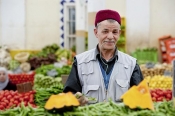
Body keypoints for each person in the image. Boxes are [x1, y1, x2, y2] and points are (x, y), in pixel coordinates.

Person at [63, 9, 143, 106]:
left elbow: (141, 97)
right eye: (105, 31)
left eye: (115, 32)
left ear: (119, 33)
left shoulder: (131, 64)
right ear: (96, 32)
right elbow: (69, 94)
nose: (110, 36)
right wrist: (76, 98)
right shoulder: (80, 62)